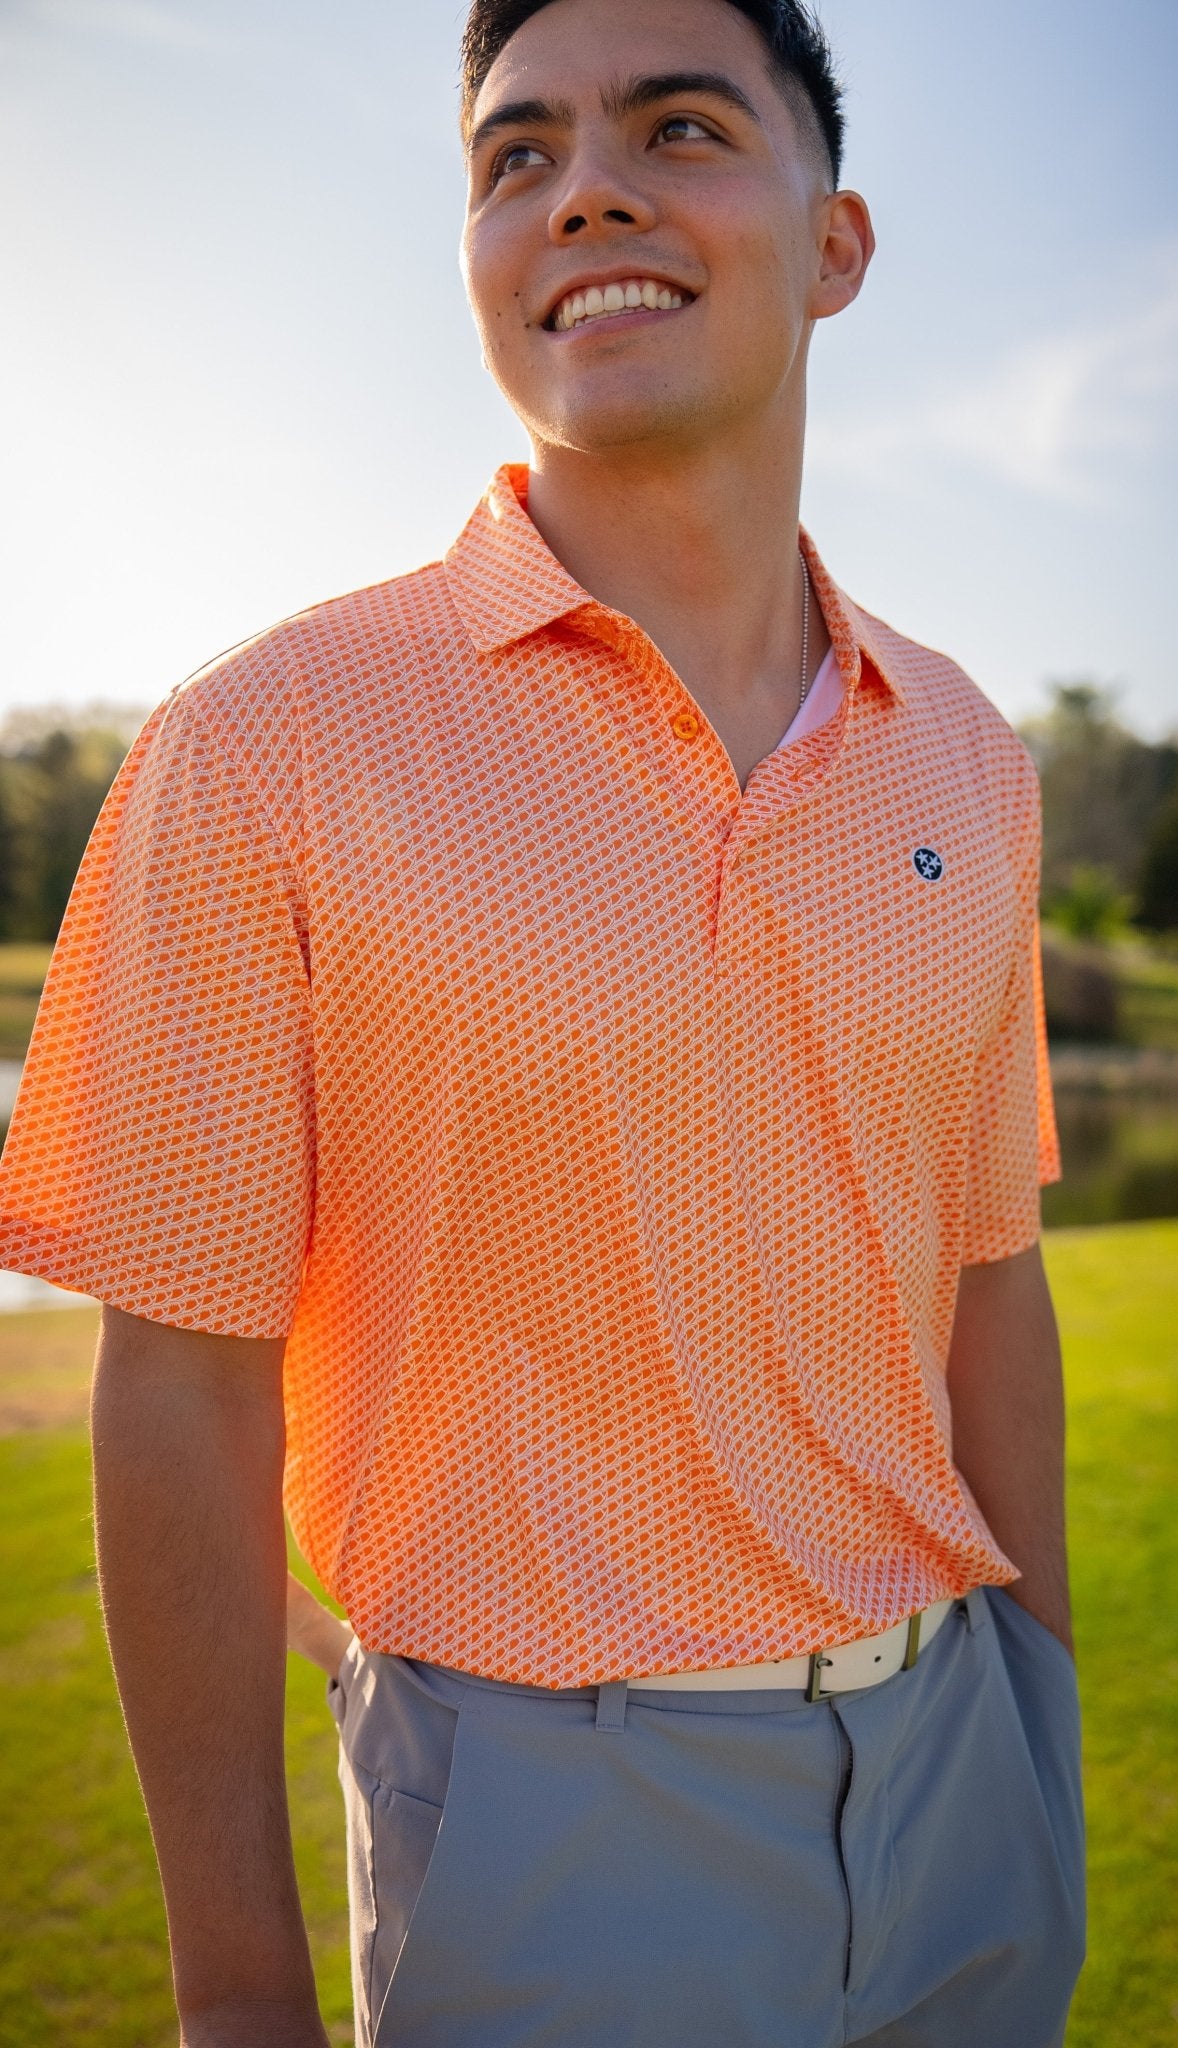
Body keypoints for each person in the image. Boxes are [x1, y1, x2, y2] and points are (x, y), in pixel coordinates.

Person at [0, 0, 1086, 2042]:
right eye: (517, 156)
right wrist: (236, 1994)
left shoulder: (967, 752)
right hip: (542, 1816)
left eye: (679, 127)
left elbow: (988, 1279)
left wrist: (1041, 1714)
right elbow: (180, 1388)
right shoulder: (262, 744)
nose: (583, 189)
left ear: (837, 243)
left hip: (960, 1775)